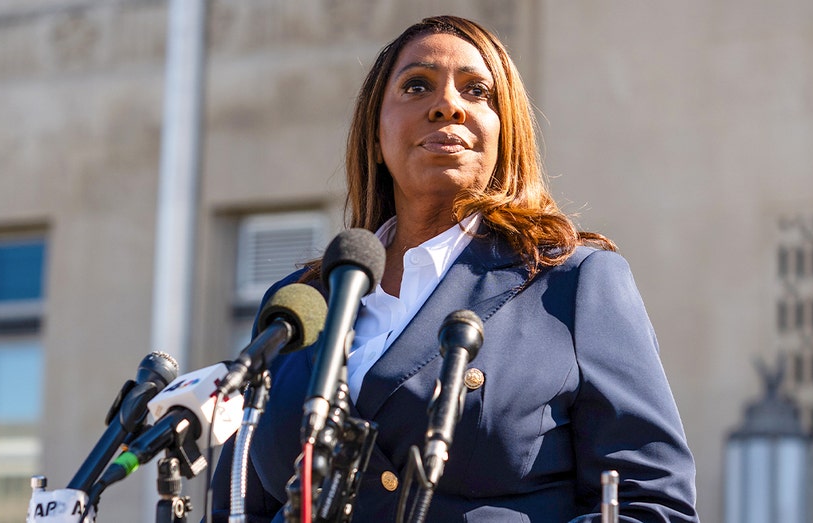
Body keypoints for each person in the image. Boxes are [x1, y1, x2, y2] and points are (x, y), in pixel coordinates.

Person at [209, 15, 699, 522]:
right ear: (375, 136)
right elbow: (235, 506)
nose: (448, 105)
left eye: (477, 90)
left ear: (505, 135)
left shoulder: (573, 283)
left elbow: (652, 505)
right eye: (416, 86)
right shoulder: (299, 304)